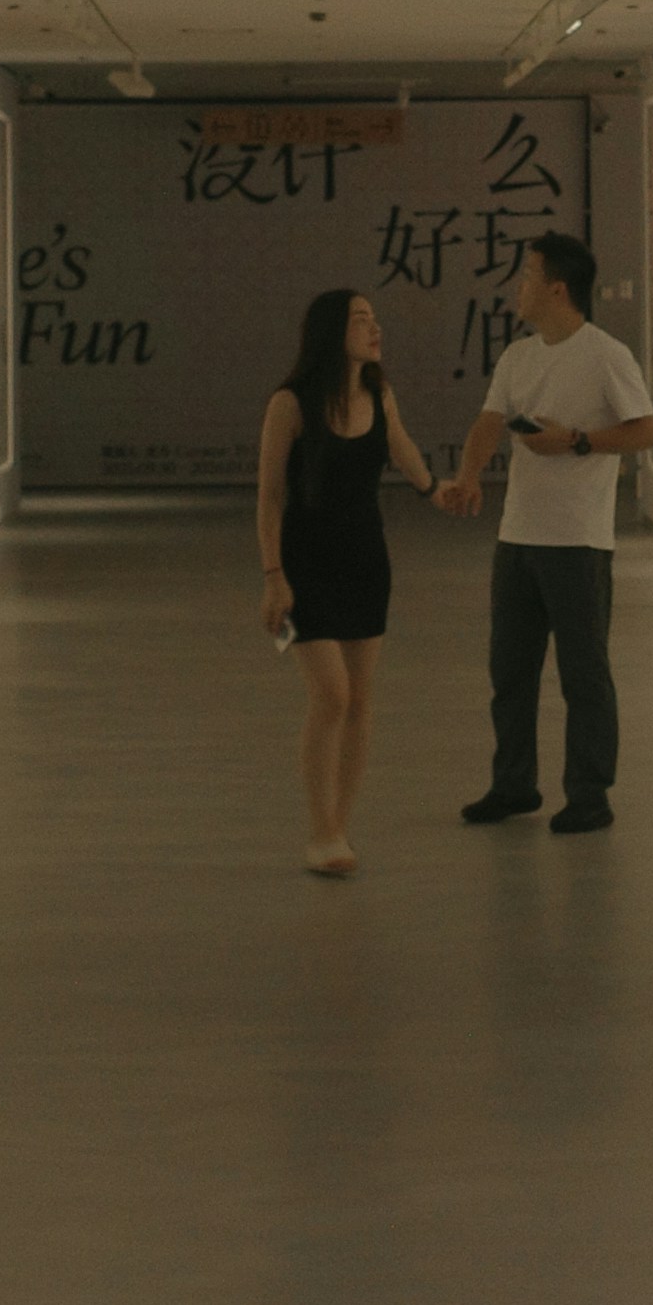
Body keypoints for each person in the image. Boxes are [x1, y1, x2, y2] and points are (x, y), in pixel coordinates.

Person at [435, 231, 653, 835]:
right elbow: (488, 421)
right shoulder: (518, 357)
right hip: (519, 538)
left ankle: (590, 793)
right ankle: (513, 784)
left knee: (584, 674)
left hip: (578, 542)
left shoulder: (607, 354)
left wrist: (578, 441)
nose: (520, 286)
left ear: (557, 288)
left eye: (528, 276)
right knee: (510, 671)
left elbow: (644, 431)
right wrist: (469, 476)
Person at [257, 289, 437, 877]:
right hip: (306, 567)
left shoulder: (379, 396)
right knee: (330, 695)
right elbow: (269, 497)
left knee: (360, 701)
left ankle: (340, 827)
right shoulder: (291, 403)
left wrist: (436, 489)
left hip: (367, 563)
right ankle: (319, 827)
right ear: (332, 332)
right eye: (361, 320)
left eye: (375, 319)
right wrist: (273, 577)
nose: (374, 328)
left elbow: (401, 446)